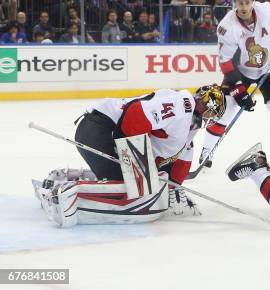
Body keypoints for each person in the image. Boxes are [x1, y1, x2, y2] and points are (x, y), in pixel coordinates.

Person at [33, 85, 226, 227]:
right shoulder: (180, 105)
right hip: (101, 129)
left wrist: (173, 188)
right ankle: (62, 196)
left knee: (136, 186)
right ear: (204, 104)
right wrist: (125, 151)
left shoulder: (190, 123)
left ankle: (63, 179)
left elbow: (182, 158)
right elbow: (135, 114)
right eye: (212, 112)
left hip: (105, 129)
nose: (211, 118)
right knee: (129, 189)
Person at [198, 0, 270, 168]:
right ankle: (206, 150)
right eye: (239, 2)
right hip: (240, 72)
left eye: (246, 2)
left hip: (267, 69)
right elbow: (226, 62)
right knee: (225, 111)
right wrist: (238, 90)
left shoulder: (268, 11)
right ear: (234, 2)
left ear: (253, 0)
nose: (243, 7)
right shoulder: (227, 26)